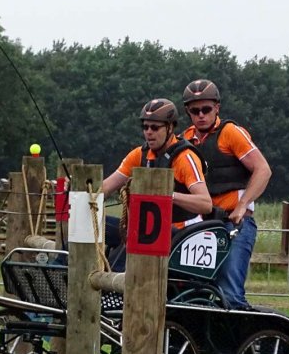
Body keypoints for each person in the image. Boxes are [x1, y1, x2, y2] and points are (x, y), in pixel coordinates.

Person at [181, 79, 272, 309]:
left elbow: (263, 170)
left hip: (235, 225)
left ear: (217, 108)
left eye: (206, 109)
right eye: (194, 110)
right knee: (192, 291)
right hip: (203, 226)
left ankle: (241, 341)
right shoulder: (185, 139)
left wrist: (243, 205)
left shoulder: (231, 133)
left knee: (229, 294)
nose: (201, 115)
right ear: (187, 112)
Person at [101, 98, 212, 271]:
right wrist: (78, 190)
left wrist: (168, 196)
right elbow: (106, 187)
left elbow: (205, 203)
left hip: (179, 232)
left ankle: (113, 285)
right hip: (145, 230)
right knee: (98, 225)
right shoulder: (140, 154)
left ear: (170, 127)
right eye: (145, 127)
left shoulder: (184, 157)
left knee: (134, 242)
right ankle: (63, 274)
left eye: (155, 127)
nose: (148, 132)